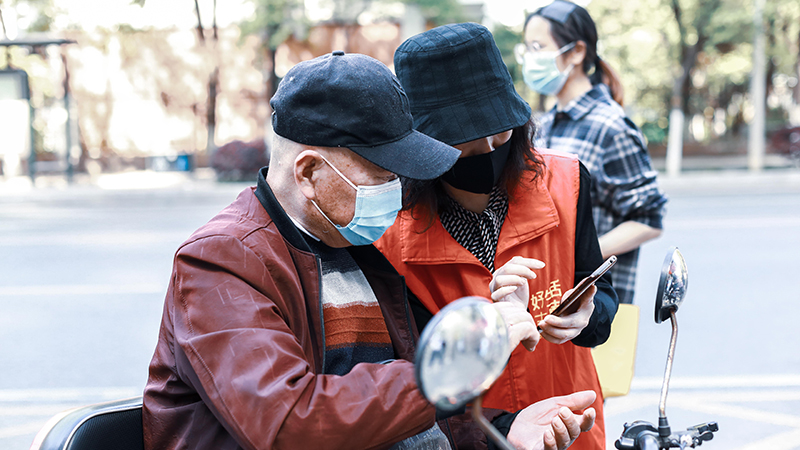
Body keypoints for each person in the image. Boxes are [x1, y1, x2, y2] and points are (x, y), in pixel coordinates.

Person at [142, 51, 596, 450]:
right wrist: (457, 362)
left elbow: (409, 407)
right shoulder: (221, 261)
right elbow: (288, 423)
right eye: (382, 174)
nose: (397, 192)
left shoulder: (356, 247)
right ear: (309, 173)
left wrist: (502, 432)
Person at [376, 23, 618, 450]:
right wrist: (490, 331)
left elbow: (600, 292)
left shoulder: (567, 180)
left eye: (501, 133)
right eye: (464, 146)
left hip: (570, 423)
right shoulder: (389, 233)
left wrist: (587, 316)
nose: (488, 150)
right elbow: (411, 377)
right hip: (475, 438)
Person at [518, 0, 668, 304]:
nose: (531, 58)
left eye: (539, 46)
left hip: (594, 305)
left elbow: (649, 220)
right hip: (549, 298)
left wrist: (581, 257)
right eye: (527, 48)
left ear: (576, 52)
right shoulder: (543, 125)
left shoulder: (611, 126)